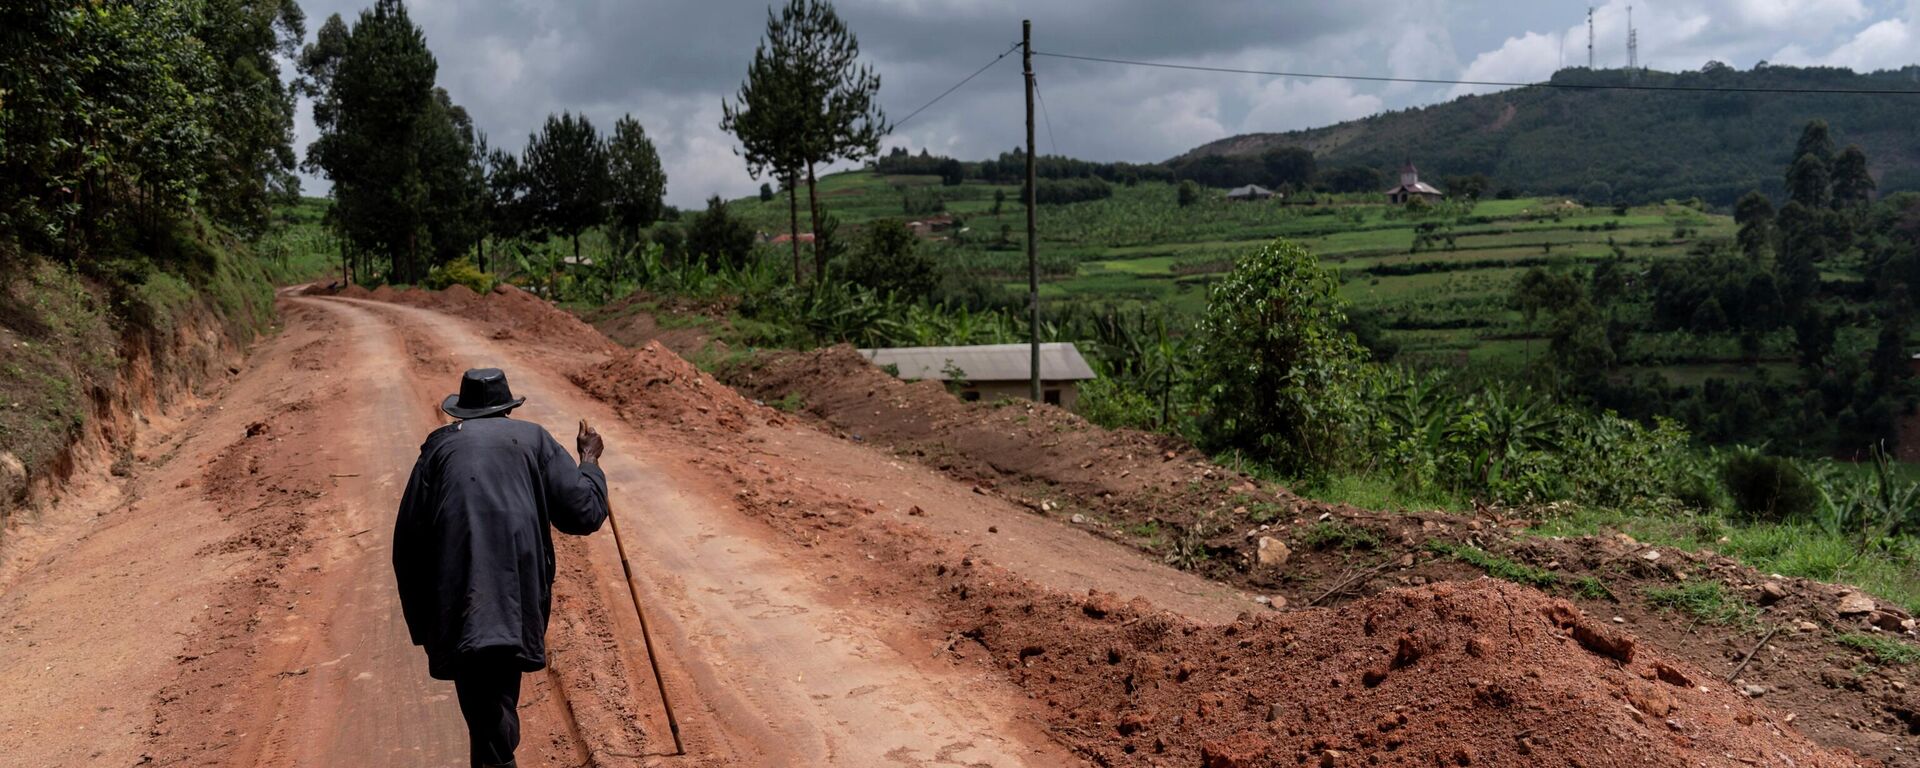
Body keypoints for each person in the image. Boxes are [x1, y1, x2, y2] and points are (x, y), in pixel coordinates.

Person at [393, 367, 609, 768]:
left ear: (463, 412)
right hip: (517, 598)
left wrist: (423, 625)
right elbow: (584, 512)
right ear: (508, 408)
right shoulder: (533, 440)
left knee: (487, 716)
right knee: (493, 716)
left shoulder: (438, 450)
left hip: (456, 603)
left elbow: (407, 545)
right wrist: (590, 461)